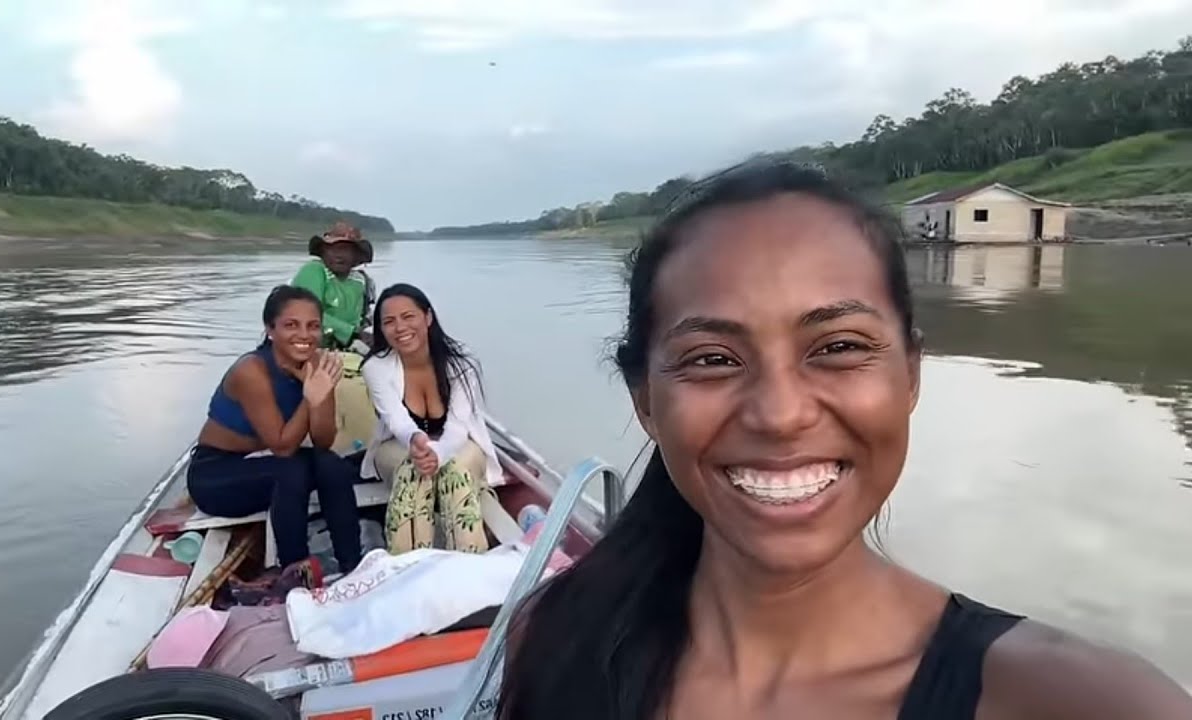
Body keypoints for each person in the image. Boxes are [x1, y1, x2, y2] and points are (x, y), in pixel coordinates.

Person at [497, 162, 1192, 719]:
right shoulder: (563, 640)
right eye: (712, 358)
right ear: (646, 401)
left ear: (911, 375)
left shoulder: (1074, 702)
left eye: (837, 346)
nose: (780, 413)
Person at [187, 285, 362, 573]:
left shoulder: (317, 363)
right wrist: (310, 397)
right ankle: (296, 572)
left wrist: (320, 395)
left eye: (313, 326)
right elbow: (282, 447)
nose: (304, 335)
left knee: (332, 466)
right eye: (291, 325)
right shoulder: (251, 372)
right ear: (270, 329)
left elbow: (322, 441)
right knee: (290, 470)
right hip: (215, 475)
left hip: (264, 462)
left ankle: (353, 565)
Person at [359, 283, 503, 555]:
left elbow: (459, 426)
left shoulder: (461, 361)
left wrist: (438, 452)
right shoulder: (375, 366)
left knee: (455, 472)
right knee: (413, 471)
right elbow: (396, 420)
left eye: (408, 316)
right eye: (389, 321)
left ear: (427, 318)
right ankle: (407, 566)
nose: (400, 327)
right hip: (398, 444)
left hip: (459, 443)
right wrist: (417, 441)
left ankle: (469, 565)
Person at [291, 221, 376, 350]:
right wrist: (353, 334)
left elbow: (362, 319)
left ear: (356, 255)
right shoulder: (314, 270)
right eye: (332, 249)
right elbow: (306, 313)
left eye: (346, 250)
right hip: (307, 346)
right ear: (323, 252)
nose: (339, 255)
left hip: (345, 348)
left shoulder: (360, 281)